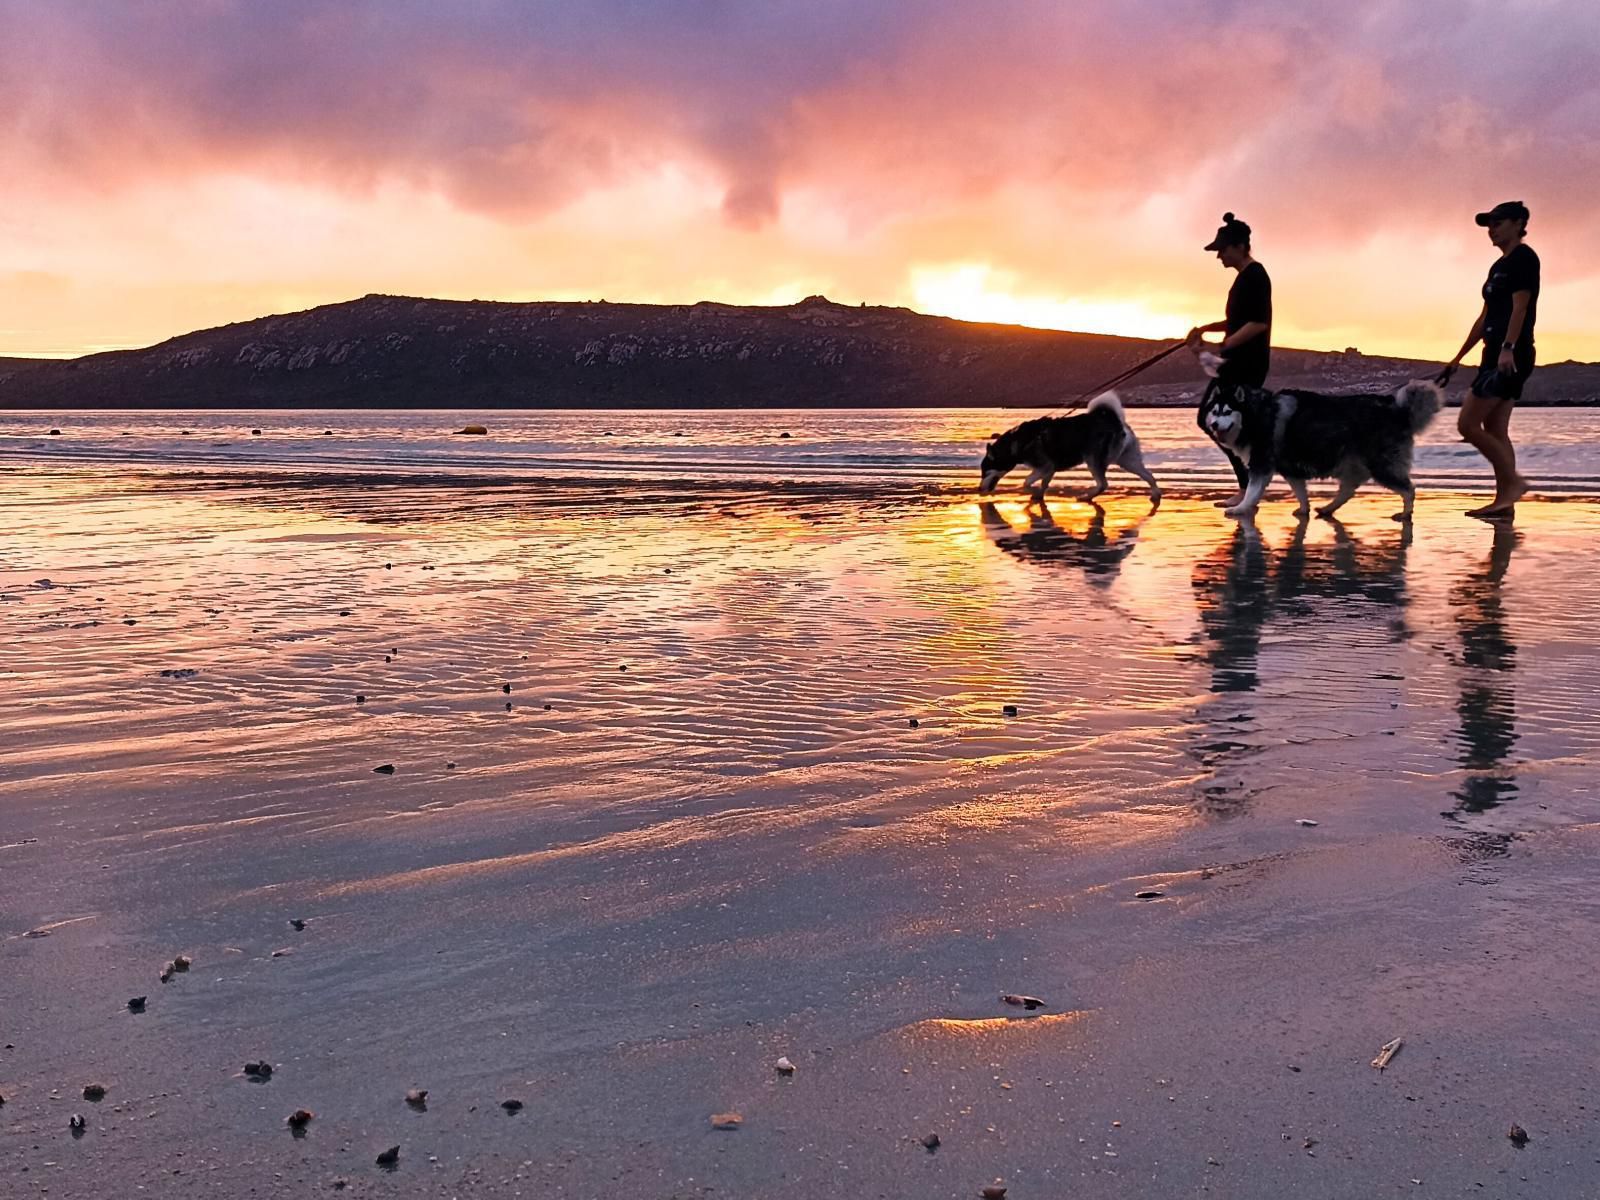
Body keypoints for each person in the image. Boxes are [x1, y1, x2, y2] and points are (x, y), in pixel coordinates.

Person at [1436, 200, 1538, 517]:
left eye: (1497, 222)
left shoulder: (1524, 258)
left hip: (1511, 354)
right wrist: (1457, 358)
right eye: (1488, 224)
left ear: (1518, 223)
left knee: (1467, 424)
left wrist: (1508, 347)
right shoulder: (1498, 267)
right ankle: (1504, 502)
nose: (1491, 229)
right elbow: (1484, 317)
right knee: (1494, 428)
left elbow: (1521, 307)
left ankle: (1513, 484)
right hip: (1492, 352)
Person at [1187, 213, 1272, 508]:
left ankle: (1250, 486)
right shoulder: (1244, 279)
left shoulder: (1256, 276)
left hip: (1246, 365)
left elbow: (1258, 323)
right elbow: (1237, 320)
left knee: (1213, 420)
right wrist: (1206, 329)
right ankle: (1250, 485)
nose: (1219, 256)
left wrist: (1220, 345)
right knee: (1227, 423)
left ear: (1239, 246)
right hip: (1236, 363)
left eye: (1222, 250)